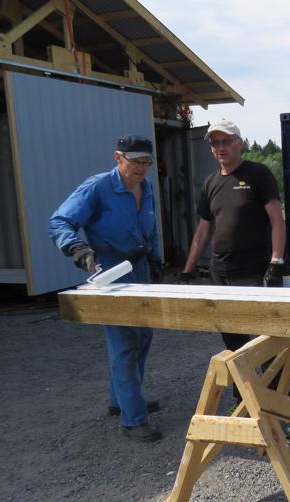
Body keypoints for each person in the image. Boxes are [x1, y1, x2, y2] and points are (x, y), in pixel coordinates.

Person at [179, 119, 290, 439]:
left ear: (239, 143)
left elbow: (277, 219)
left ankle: (282, 412)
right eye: (215, 143)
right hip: (221, 275)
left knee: (268, 344)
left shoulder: (258, 174)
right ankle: (246, 405)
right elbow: (203, 230)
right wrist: (188, 269)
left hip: (255, 273)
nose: (220, 148)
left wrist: (277, 261)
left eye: (226, 142)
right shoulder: (210, 183)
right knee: (235, 347)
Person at [49, 135, 164, 442]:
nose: (141, 168)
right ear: (118, 157)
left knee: (143, 336)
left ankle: (122, 400)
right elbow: (59, 221)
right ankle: (133, 419)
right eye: (135, 161)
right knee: (125, 343)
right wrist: (76, 247)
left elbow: (150, 227)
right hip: (112, 273)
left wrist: (155, 258)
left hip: (140, 269)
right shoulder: (98, 187)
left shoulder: (146, 187)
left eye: (146, 162)